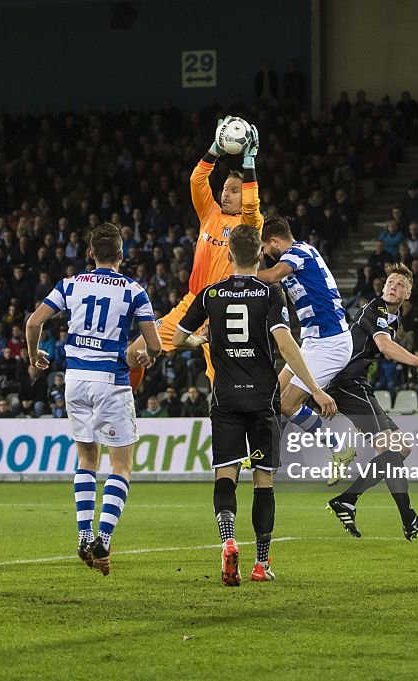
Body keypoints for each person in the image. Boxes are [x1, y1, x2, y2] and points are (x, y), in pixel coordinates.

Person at [173, 225, 336, 586]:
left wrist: (201, 338)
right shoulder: (269, 294)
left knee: (225, 474)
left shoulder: (210, 293)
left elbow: (178, 337)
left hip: (226, 397)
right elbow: (286, 346)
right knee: (264, 481)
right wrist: (316, 390)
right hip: (262, 398)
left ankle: (228, 540)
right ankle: (261, 564)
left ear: (229, 255)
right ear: (259, 255)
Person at [25, 223, 160, 576]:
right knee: (121, 466)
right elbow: (155, 343)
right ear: (121, 254)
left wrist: (34, 355)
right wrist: (148, 355)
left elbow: (33, 322)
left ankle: (84, 534)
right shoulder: (134, 291)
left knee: (86, 459)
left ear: (90, 254)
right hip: (110, 381)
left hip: (75, 380)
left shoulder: (70, 284)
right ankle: (102, 536)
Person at [127, 118, 263, 388]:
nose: (226, 194)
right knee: (134, 353)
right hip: (192, 303)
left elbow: (251, 204)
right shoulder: (210, 213)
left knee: (222, 386)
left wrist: (249, 164)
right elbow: (197, 179)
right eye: (224, 189)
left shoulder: (249, 224)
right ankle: (124, 410)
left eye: (234, 191)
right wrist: (214, 148)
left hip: (225, 309)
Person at [324, 263, 418, 540]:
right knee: (390, 448)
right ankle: (409, 520)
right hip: (346, 384)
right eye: (390, 282)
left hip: (358, 386)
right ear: (383, 288)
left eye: (400, 284)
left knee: (400, 448)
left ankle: (348, 500)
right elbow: (384, 346)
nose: (394, 287)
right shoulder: (375, 309)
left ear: (408, 293)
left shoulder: (395, 317)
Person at [256, 216, 351, 436]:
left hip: (332, 343)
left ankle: (340, 447)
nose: (266, 254)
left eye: (265, 247)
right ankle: (268, 454)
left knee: (288, 404)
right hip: (312, 343)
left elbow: (271, 276)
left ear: (275, 241)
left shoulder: (299, 253)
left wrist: (239, 272)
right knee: (273, 396)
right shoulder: (295, 258)